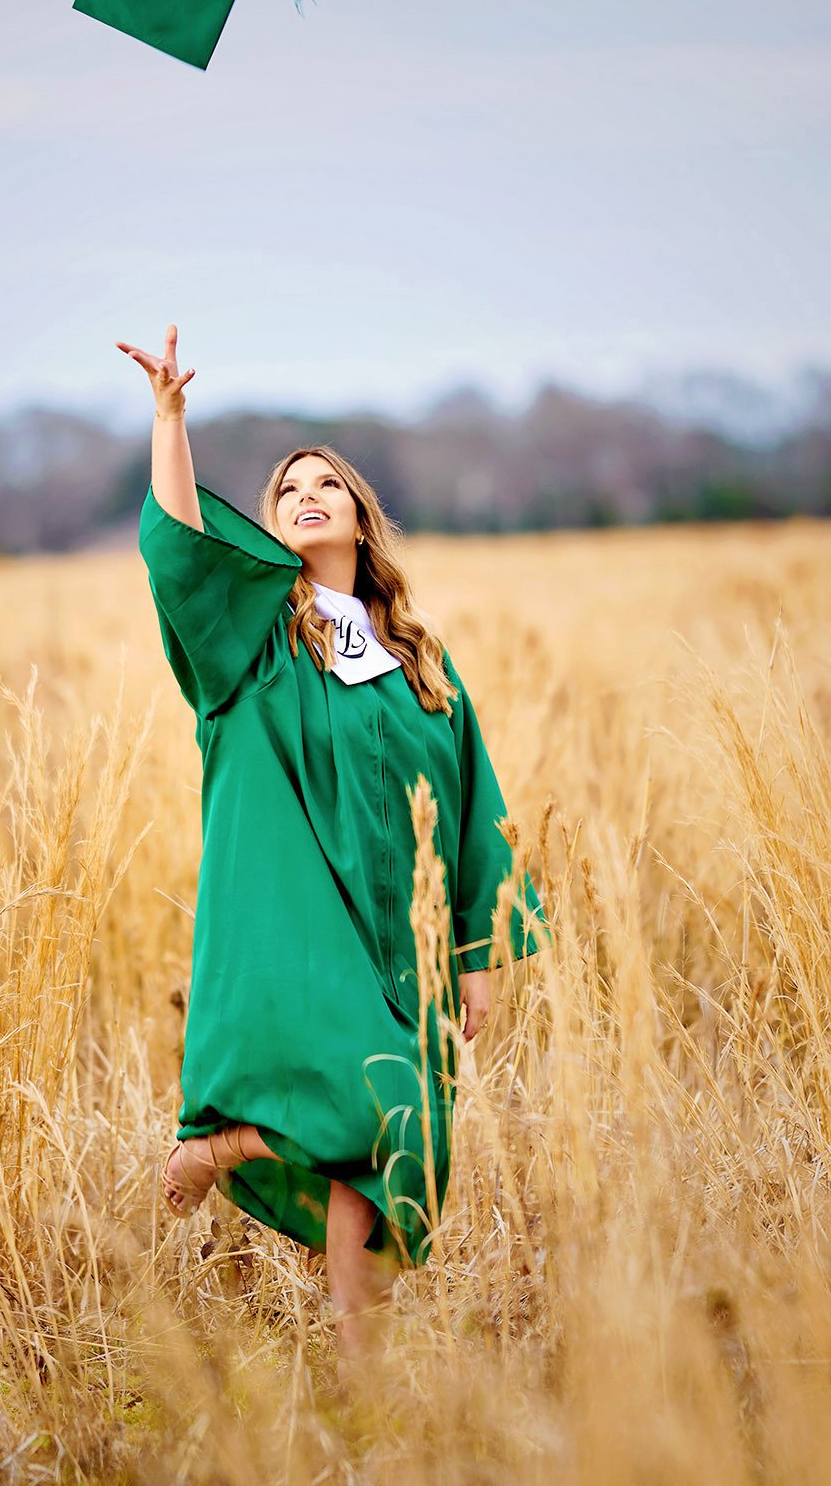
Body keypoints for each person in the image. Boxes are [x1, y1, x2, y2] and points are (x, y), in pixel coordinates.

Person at [116, 323, 546, 1369]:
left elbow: (471, 793)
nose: (305, 496)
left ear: (360, 512)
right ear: (268, 527)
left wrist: (482, 953)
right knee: (371, 1097)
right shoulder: (252, 644)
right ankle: (227, 1140)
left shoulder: (413, 652)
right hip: (297, 915)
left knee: (395, 1145)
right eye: (286, 491)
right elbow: (180, 553)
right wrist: (171, 421)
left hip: (406, 930)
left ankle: (362, 1371)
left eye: (326, 485)